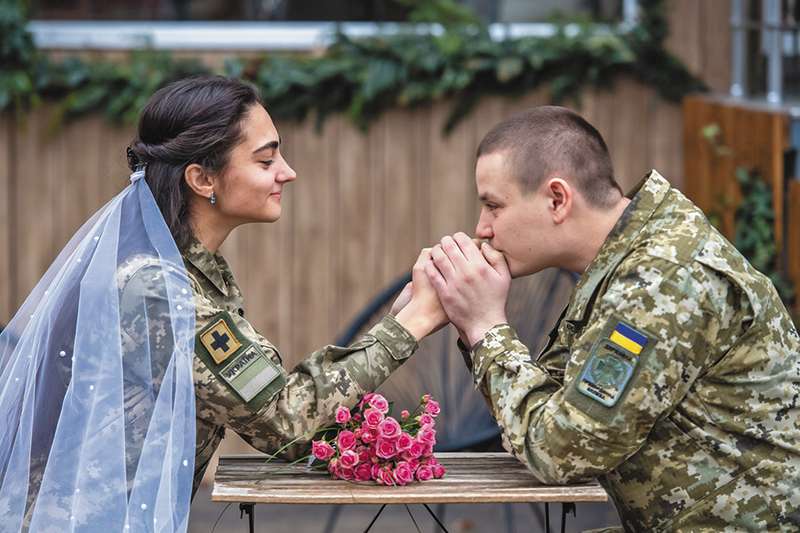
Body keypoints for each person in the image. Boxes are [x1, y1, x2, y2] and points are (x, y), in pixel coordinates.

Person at [0, 76, 445, 532]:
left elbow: (267, 403)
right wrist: (412, 323)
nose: (286, 172)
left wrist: (396, 321)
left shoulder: (184, 269)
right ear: (202, 178)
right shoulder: (155, 290)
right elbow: (285, 423)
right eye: (266, 159)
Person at [423, 106, 800, 531]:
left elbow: (561, 452)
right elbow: (541, 414)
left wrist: (485, 329)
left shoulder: (660, 281)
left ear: (557, 199)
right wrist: (471, 319)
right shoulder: (624, 261)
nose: (482, 228)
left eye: (493, 206)